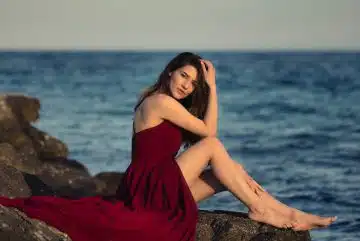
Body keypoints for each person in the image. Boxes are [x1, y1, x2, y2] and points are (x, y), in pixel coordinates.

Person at [0, 52, 336, 241]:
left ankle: (278, 211)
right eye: (184, 77)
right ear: (170, 71)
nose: (187, 85)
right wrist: (214, 86)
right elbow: (209, 132)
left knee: (229, 171)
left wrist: (237, 173)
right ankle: (277, 213)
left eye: (194, 84)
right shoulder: (159, 101)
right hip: (149, 185)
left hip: (159, 184)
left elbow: (199, 142)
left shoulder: (167, 105)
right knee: (214, 146)